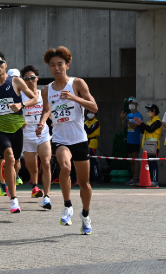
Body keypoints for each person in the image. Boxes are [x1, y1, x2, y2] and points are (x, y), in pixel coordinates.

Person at [38, 46, 97, 235]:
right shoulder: (46, 90)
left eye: (60, 64)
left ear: (67, 65)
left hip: (79, 138)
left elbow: (94, 107)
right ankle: (67, 205)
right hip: (60, 138)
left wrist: (74, 98)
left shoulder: (77, 83)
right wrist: (41, 122)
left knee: (84, 182)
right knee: (65, 167)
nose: (56, 68)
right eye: (52, 65)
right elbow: (47, 109)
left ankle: (85, 215)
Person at [0, 51, 38, 214]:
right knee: (9, 157)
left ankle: (9, 181)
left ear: (5, 64)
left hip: (17, 128)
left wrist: (22, 105)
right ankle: (13, 198)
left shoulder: (16, 81)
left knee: (16, 163)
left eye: (0, 62)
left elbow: (33, 98)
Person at [20, 65, 53, 209]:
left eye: (32, 77)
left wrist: (42, 123)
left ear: (37, 78)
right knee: (31, 165)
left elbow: (47, 110)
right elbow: (14, 113)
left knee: (46, 163)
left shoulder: (42, 93)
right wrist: (21, 121)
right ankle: (34, 185)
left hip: (42, 131)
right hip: (27, 133)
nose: (30, 80)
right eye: (26, 78)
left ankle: (46, 196)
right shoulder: (20, 96)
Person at [133, 104, 161, 187]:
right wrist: (139, 124)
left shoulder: (157, 121)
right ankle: (149, 180)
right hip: (147, 145)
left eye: (149, 111)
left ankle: (155, 180)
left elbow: (150, 129)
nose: (148, 112)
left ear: (154, 112)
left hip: (154, 146)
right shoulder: (149, 121)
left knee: (153, 163)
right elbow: (143, 131)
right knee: (148, 164)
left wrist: (141, 123)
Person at [121, 97, 142, 185]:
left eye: (132, 103)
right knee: (131, 160)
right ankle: (133, 178)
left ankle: (136, 178)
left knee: (135, 159)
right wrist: (123, 118)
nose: (131, 105)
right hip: (129, 140)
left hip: (135, 140)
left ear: (136, 105)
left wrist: (126, 120)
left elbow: (134, 126)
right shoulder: (128, 115)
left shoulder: (138, 115)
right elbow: (124, 126)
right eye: (129, 103)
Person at [84, 110, 101, 185]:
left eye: (92, 112)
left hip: (92, 142)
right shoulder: (86, 122)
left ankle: (97, 178)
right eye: (88, 112)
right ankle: (90, 178)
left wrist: (83, 126)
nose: (90, 114)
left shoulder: (96, 122)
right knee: (87, 162)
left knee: (93, 161)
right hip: (85, 141)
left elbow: (90, 131)